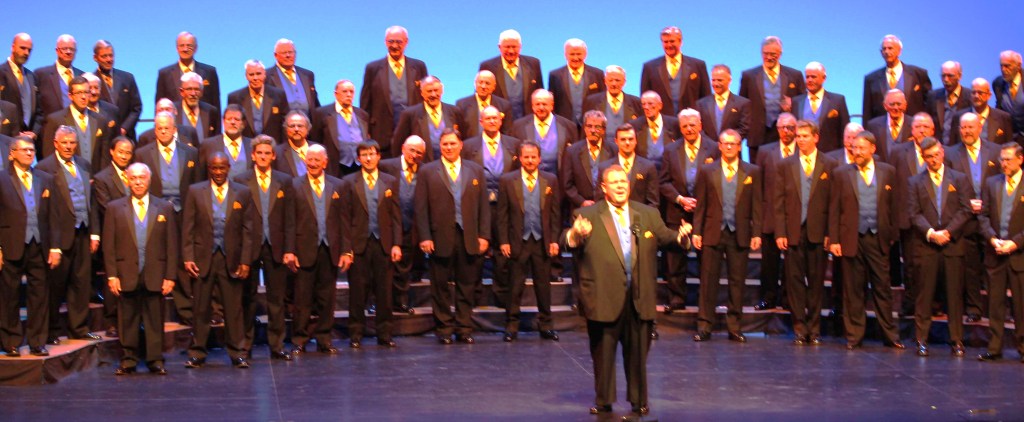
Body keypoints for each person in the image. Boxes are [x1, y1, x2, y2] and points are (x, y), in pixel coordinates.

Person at [563, 164, 690, 417]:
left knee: (638, 354)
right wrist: (575, 234)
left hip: (639, 296)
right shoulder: (586, 214)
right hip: (603, 296)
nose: (620, 186)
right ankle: (604, 401)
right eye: (614, 182)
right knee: (603, 353)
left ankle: (638, 400)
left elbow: (668, 238)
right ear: (604, 187)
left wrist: (682, 237)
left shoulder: (648, 214)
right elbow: (568, 242)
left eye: (624, 181)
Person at [828, 131, 904, 350]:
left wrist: (892, 236)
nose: (857, 152)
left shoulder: (888, 172)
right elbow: (834, 208)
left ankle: (890, 335)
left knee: (882, 288)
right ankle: (854, 335)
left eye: (861, 148)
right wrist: (834, 239)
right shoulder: (841, 173)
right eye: (854, 148)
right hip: (851, 238)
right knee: (853, 290)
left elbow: (894, 206)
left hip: (878, 239)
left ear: (873, 149)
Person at [415, 128, 489, 345]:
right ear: (440, 146)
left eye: (452, 143)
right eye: (445, 144)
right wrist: (425, 236)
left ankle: (464, 327)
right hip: (439, 237)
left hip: (469, 237)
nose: (449, 147)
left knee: (466, 286)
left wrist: (484, 235)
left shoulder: (475, 170)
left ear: (460, 145)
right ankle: (444, 328)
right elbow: (420, 207)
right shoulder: (427, 171)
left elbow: (484, 206)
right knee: (440, 287)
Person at [182, 152, 254, 369]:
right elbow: (188, 227)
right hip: (202, 258)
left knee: (234, 309)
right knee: (200, 309)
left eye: (222, 167)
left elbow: (248, 230)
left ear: (228, 168)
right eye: (214, 168)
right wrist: (188, 257)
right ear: (209, 169)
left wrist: (245, 261)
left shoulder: (242, 192)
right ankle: (197, 352)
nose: (218, 172)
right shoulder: (195, 191)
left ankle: (237, 353)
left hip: (231, 259)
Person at [104, 163, 177, 375]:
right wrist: (112, 275)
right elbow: (109, 245)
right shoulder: (114, 208)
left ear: (149, 180)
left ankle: (155, 359)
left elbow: (172, 244)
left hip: (155, 273)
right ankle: (128, 360)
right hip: (126, 273)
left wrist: (170, 276)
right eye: (133, 178)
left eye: (141, 178)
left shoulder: (164, 207)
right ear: (127, 180)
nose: (137, 182)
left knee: (154, 319)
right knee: (127, 320)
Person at [692, 129, 762, 342]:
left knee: (737, 282)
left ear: (740, 147)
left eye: (733, 143)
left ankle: (734, 327)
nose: (729, 146)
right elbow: (701, 204)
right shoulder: (707, 170)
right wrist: (697, 231)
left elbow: (757, 204)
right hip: (713, 232)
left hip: (739, 232)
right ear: (720, 146)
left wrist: (756, 232)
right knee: (708, 281)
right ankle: (705, 325)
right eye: (725, 143)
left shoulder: (752, 171)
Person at [905, 137, 972, 357]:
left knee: (954, 295)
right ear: (923, 158)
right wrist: (932, 233)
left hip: (953, 244)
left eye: (936, 155)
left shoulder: (959, 178)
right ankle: (921, 340)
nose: (933, 160)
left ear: (942, 153)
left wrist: (948, 232)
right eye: (928, 157)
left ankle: (956, 340)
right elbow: (914, 213)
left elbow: (965, 210)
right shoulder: (915, 182)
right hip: (927, 245)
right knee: (924, 295)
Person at [34, 126, 101, 344]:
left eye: (72, 142)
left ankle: (78, 328)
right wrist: (52, 244)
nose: (68, 146)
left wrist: (95, 233)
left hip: (83, 232)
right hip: (59, 235)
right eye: (64, 142)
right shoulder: (44, 168)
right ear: (56, 143)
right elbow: (44, 209)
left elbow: (91, 201)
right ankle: (51, 331)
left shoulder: (83, 165)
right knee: (55, 286)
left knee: (81, 283)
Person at [133, 111, 200, 324]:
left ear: (174, 130)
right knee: (155, 258)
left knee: (181, 260)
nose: (163, 131)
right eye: (159, 128)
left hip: (183, 213)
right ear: (155, 130)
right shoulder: (143, 153)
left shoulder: (190, 153)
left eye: (167, 128)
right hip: (155, 214)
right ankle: (151, 314)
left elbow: (197, 185)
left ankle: (185, 311)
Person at [774, 120, 837, 345]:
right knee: (795, 283)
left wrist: (830, 233)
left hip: (819, 233)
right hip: (793, 232)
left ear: (816, 137)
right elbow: (779, 201)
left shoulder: (830, 164)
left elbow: (833, 202)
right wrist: (780, 232)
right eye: (798, 136)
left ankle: (814, 328)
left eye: (805, 136)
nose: (800, 140)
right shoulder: (785, 165)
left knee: (816, 283)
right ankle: (800, 328)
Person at [233, 134, 293, 360]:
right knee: (247, 298)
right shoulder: (240, 180)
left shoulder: (284, 180)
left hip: (276, 246)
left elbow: (290, 218)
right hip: (250, 247)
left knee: (276, 299)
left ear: (273, 156)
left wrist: (289, 249)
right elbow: (237, 219)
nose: (263, 156)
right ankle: (245, 345)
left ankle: (277, 345)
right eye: (259, 153)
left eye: (267, 153)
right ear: (252, 155)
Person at [340, 140, 401, 348]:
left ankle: (385, 334)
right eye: (364, 155)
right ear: (358, 158)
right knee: (358, 292)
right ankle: (356, 333)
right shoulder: (348, 182)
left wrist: (396, 244)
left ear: (378, 156)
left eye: (372, 154)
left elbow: (395, 216)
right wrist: (347, 248)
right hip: (359, 245)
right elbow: (344, 218)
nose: (368, 158)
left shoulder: (390, 181)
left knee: (384, 292)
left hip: (383, 244)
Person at [0, 137, 58, 357]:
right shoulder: (2, 178)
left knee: (39, 296)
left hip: (39, 245)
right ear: (12, 153)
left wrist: (55, 247)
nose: (29, 153)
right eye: (24, 150)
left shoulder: (45, 178)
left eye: (32, 150)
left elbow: (54, 216)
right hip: (11, 244)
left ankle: (37, 342)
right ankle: (11, 341)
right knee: (9, 296)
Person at [497, 140, 559, 342]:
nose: (530, 160)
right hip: (518, 240)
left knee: (543, 286)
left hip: (541, 240)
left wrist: (554, 240)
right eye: (526, 157)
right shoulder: (508, 180)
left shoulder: (550, 180)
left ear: (539, 159)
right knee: (515, 286)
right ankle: (511, 326)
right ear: (520, 158)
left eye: (533, 157)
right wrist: (504, 241)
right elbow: (502, 214)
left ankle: (546, 325)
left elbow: (555, 214)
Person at [659, 108, 720, 311]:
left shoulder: (714, 148)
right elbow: (663, 182)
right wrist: (680, 199)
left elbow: (719, 180)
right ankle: (677, 299)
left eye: (692, 125)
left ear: (700, 125)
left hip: (706, 214)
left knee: (707, 263)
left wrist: (701, 202)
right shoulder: (670, 150)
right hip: (678, 213)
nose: (689, 129)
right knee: (675, 260)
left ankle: (706, 302)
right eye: (684, 126)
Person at [285, 144, 344, 355]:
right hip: (304, 250)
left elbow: (344, 221)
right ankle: (300, 339)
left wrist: (346, 250)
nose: (312, 163)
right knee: (302, 298)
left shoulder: (338, 185)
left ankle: (324, 339)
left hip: (330, 249)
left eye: (317, 160)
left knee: (327, 298)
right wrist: (290, 250)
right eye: (309, 159)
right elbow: (289, 221)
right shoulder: (294, 185)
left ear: (325, 162)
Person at [462, 106, 521, 307]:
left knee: (503, 251)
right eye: (488, 118)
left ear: (501, 121)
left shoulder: (514, 144)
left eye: (495, 118)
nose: (492, 121)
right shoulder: (469, 146)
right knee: (477, 250)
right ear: (481, 122)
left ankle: (501, 296)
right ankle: (475, 295)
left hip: (505, 206)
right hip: (479, 206)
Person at [945, 112, 1001, 322]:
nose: (967, 131)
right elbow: (948, 185)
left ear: (980, 128)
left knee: (994, 265)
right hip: (964, 218)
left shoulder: (995, 151)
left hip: (991, 217)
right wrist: (968, 203)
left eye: (970, 127)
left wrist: (985, 203)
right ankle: (974, 308)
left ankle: (996, 310)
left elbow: (1000, 181)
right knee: (970, 267)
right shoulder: (950, 153)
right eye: (963, 127)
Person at [976, 142, 1024, 363]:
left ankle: (1022, 347)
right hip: (995, 252)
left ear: (1020, 159)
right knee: (995, 303)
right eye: (1002, 160)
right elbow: (983, 216)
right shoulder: (992, 183)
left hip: (1018, 254)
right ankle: (994, 347)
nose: (1004, 164)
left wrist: (1015, 243)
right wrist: (992, 238)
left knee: (1021, 305)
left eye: (1008, 160)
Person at [360, 26, 428, 157]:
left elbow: (425, 98)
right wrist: (365, 131)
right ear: (385, 42)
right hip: (382, 135)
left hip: (413, 132)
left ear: (406, 42)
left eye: (399, 42)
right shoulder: (372, 68)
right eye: (391, 41)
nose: (395, 46)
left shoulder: (419, 67)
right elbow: (365, 103)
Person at [753, 113, 798, 311]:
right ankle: (768, 298)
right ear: (777, 129)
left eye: (790, 128)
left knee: (792, 264)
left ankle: (788, 299)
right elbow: (758, 186)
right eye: (782, 127)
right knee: (769, 263)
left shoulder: (803, 150)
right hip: (770, 216)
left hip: (795, 216)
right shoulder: (765, 151)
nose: (786, 131)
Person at [378, 136, 426, 314]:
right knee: (382, 266)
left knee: (404, 267)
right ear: (403, 148)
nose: (414, 155)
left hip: (411, 225)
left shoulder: (425, 170)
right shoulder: (386, 166)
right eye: (412, 150)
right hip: (387, 225)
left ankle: (400, 301)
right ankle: (378, 302)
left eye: (419, 152)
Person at [92, 136, 134, 336]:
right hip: (115, 234)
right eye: (120, 152)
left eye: (128, 153)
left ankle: (130, 320)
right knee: (113, 278)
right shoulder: (102, 178)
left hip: (137, 234)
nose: (124, 156)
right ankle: (111, 321)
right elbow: (106, 207)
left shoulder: (136, 173)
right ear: (112, 152)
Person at [739, 36, 805, 157]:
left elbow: (804, 104)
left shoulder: (795, 76)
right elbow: (742, 105)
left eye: (773, 54)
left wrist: (793, 105)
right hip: (756, 137)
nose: (769, 57)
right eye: (765, 54)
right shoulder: (749, 76)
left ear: (780, 54)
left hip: (786, 136)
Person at [40, 75, 115, 173]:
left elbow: (104, 156)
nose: (83, 97)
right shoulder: (55, 120)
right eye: (79, 93)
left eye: (86, 92)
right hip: (65, 177)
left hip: (94, 178)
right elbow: (49, 155)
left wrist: (99, 179)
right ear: (70, 96)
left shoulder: (100, 120)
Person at [639, 26, 710, 115]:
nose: (669, 45)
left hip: (690, 121)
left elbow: (706, 99)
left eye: (672, 41)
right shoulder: (649, 67)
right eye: (665, 42)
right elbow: (644, 99)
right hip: (662, 121)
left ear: (680, 42)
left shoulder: (698, 66)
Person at [390, 76, 462, 162]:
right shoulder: (410, 114)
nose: (433, 95)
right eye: (429, 91)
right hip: (421, 166)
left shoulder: (454, 111)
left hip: (449, 166)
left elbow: (463, 140)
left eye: (436, 90)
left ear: (442, 91)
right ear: (421, 93)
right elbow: (397, 144)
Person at [862, 34, 931, 122]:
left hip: (913, 127)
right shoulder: (871, 79)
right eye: (884, 49)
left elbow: (929, 104)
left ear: (899, 51)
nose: (887, 52)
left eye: (890, 48)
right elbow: (867, 113)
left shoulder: (918, 74)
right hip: (883, 129)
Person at [479, 29, 544, 121]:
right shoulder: (488, 66)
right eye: (507, 47)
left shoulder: (533, 64)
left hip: (528, 123)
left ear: (520, 47)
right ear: (499, 47)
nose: (511, 51)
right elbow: (481, 97)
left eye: (514, 47)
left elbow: (540, 94)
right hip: (499, 123)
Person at [310, 80, 371, 177]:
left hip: (359, 167)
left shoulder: (362, 114)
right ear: (336, 94)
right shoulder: (321, 113)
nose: (349, 95)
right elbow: (315, 140)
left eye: (351, 92)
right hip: (335, 167)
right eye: (345, 91)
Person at [510, 89, 577, 174]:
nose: (541, 108)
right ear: (532, 106)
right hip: (530, 179)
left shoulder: (568, 127)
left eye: (544, 104)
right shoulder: (519, 126)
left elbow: (574, 158)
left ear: (552, 105)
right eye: (537, 104)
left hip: (559, 178)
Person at [792, 62, 850, 153]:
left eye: (813, 77)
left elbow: (844, 131)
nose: (809, 80)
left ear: (824, 78)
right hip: (803, 156)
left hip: (830, 156)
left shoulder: (837, 101)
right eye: (807, 77)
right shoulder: (796, 102)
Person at [155, 32, 220, 112]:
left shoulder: (209, 72)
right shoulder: (164, 74)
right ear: (177, 48)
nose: (185, 49)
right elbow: (159, 107)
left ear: (195, 48)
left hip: (203, 119)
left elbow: (216, 105)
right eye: (182, 45)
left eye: (189, 46)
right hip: (175, 119)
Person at [227, 59, 288, 144]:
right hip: (246, 148)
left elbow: (285, 125)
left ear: (264, 74)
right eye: (251, 74)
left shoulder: (279, 95)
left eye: (258, 74)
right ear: (246, 76)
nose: (255, 78)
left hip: (274, 147)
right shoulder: (235, 98)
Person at [33, 34, 82, 135]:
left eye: (72, 49)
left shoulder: (82, 76)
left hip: (79, 134)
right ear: (57, 50)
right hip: (50, 133)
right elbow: (36, 108)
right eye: (64, 48)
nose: (68, 52)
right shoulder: (41, 74)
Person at [92, 40, 141, 138]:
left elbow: (136, 108)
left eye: (111, 55)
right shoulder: (90, 82)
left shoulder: (127, 78)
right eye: (104, 56)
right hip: (102, 138)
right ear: (95, 58)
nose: (109, 59)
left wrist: (124, 128)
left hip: (127, 137)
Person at [549, 38, 604, 126]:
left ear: (585, 54)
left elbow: (603, 101)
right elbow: (552, 104)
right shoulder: (555, 75)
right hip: (564, 126)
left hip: (591, 126)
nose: (575, 58)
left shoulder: (597, 74)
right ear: (565, 55)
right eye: (572, 54)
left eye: (579, 54)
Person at [582, 65, 642, 142]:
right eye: (610, 80)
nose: (614, 84)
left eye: (617, 80)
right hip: (601, 148)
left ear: (624, 82)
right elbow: (584, 131)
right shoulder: (591, 102)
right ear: (605, 81)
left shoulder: (636, 103)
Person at [696, 64, 750, 143]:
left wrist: (727, 142)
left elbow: (744, 128)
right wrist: (710, 145)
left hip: (731, 148)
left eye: (720, 80)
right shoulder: (701, 104)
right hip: (708, 149)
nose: (716, 84)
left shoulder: (742, 103)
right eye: (713, 80)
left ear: (729, 80)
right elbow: (699, 128)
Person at [265, 39, 319, 116]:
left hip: (308, 122)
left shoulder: (308, 75)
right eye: (284, 53)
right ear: (275, 55)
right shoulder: (266, 76)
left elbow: (315, 103)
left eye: (291, 52)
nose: (288, 55)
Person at [951, 78, 1014, 145]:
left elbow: (1009, 146)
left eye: (980, 93)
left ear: (989, 95)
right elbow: (953, 147)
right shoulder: (959, 117)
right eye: (973, 93)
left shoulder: (1003, 118)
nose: (976, 96)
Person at [453, 70, 513, 138]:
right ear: (475, 84)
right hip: (470, 144)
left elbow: (507, 133)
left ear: (494, 86)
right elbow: (458, 133)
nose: (483, 86)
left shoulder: (504, 105)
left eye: (487, 83)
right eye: (480, 82)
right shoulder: (461, 105)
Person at [199, 105, 252, 181]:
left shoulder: (251, 145)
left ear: (244, 123)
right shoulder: (208, 145)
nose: (232, 122)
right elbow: (200, 176)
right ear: (223, 121)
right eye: (229, 119)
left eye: (237, 119)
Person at [0, 33, 37, 133]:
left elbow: (39, 110)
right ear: (13, 47)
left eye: (29, 50)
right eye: (23, 48)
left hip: (29, 139)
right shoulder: (1, 72)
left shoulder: (32, 77)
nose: (26, 53)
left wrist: (34, 132)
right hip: (6, 136)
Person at [630, 91, 679, 166]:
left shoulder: (674, 124)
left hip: (668, 169)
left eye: (650, 103)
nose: (646, 107)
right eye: (643, 104)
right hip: (644, 170)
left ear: (660, 105)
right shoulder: (635, 125)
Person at [927, 61, 971, 144]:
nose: (946, 80)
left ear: (959, 76)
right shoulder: (933, 96)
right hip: (938, 146)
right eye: (943, 76)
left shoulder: (970, 97)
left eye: (950, 76)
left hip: (961, 146)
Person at [175, 72, 219, 139]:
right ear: (181, 92)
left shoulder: (211, 111)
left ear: (202, 92)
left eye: (196, 89)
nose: (193, 93)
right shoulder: (172, 110)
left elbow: (216, 138)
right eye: (189, 89)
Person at [993, 50, 1024, 144]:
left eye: (1007, 66)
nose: (1003, 69)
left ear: (1018, 66)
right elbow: (999, 109)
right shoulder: (998, 84)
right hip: (1011, 139)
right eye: (1001, 66)